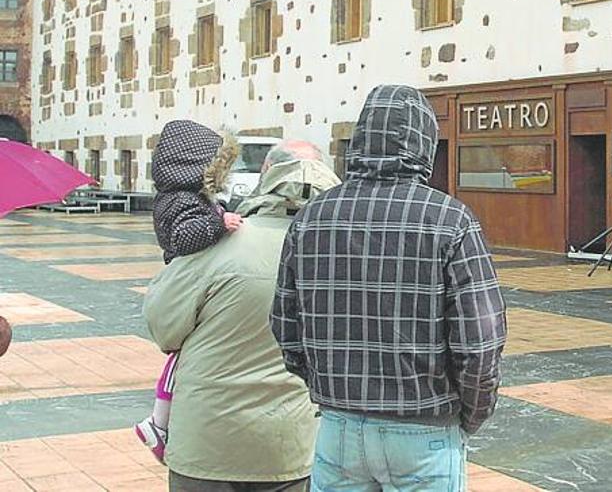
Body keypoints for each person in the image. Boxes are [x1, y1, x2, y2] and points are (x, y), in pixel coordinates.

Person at [272, 84, 507, 492]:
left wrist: (327, 388)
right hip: (424, 429)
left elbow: (285, 327)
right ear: (424, 143)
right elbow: (480, 343)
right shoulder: (451, 221)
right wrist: (470, 415)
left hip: (339, 426)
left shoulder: (311, 218)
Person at [143, 138, 340, 492]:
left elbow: (163, 328)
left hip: (207, 444)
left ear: (266, 173)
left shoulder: (216, 242)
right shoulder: (336, 255)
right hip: (289, 446)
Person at [136, 120, 243, 462]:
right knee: (179, 357)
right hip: (187, 283)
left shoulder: (185, 197)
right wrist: (218, 223)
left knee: (182, 356)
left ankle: (162, 422)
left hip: (192, 280)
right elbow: (183, 237)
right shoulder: (180, 199)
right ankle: (157, 423)